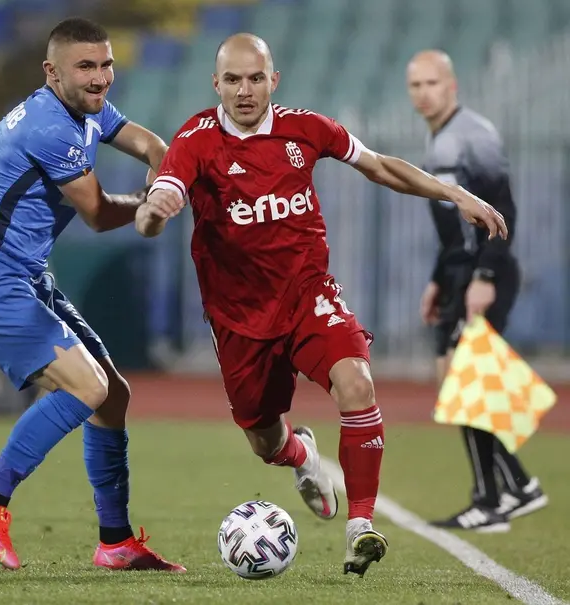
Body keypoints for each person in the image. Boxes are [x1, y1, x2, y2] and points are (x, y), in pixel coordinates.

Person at [136, 34, 508, 576]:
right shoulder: (194, 141)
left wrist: (454, 194)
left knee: (356, 382)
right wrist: (155, 210)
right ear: (216, 83)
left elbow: (379, 165)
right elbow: (155, 210)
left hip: (308, 295)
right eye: (233, 80)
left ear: (274, 80)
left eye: (256, 78)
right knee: (264, 439)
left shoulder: (305, 128)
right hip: (239, 316)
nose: (245, 90)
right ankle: (302, 456)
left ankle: (361, 526)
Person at [0, 17, 184, 572]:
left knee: (111, 395)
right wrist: (148, 203)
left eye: (106, 65)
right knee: (89, 387)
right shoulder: (50, 127)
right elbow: (97, 214)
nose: (100, 78)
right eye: (86, 67)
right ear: (52, 72)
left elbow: (151, 144)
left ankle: (115, 541)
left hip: (23, 276)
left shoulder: (84, 107)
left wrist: (165, 182)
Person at [407, 49, 548, 532]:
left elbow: (503, 208)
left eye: (431, 83)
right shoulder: (439, 138)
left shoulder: (474, 134)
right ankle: (515, 487)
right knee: (456, 381)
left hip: (484, 274)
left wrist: (485, 276)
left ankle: (493, 498)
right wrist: (437, 278)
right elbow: (455, 228)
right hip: (458, 274)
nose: (423, 93)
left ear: (452, 86)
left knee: (465, 383)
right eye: (415, 85)